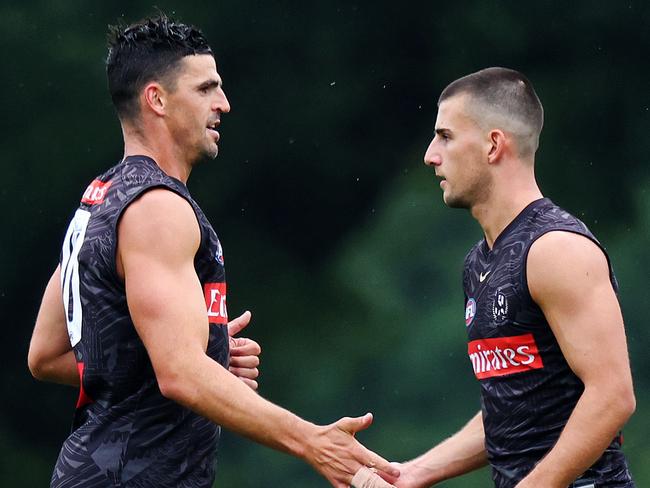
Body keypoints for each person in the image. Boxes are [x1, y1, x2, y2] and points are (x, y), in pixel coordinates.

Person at [27, 14, 399, 488]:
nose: (223, 103)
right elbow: (179, 374)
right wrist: (312, 441)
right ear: (156, 100)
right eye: (205, 89)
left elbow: (47, 353)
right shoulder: (157, 209)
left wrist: (209, 363)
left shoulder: (99, 198)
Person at [388, 68, 636, 487]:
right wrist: (410, 474)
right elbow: (516, 413)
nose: (430, 155)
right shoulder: (479, 262)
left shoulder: (556, 249)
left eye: (445, 136)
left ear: (493, 144)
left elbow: (612, 397)